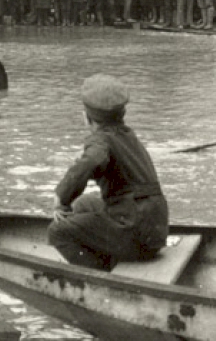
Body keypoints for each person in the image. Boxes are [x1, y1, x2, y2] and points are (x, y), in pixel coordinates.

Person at [48, 74, 169, 271]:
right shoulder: (127, 134)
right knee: (83, 203)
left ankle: (100, 275)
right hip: (155, 230)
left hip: (136, 234)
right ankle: (105, 251)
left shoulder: (100, 140)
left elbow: (92, 160)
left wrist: (61, 197)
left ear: (87, 118)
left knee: (57, 231)